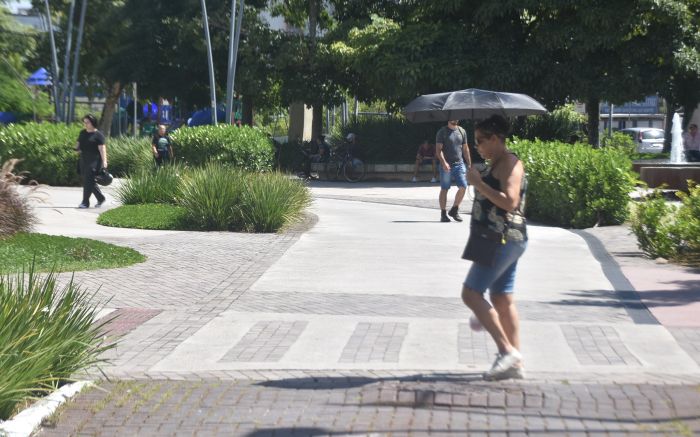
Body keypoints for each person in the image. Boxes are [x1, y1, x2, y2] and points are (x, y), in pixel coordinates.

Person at [462, 115, 528, 381]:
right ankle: (516, 363)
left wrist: (478, 184)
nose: (477, 146)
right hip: (498, 239)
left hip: (502, 239)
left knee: (471, 294)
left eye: (480, 141)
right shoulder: (497, 163)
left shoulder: (510, 163)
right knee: (501, 298)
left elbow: (510, 202)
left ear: (496, 138)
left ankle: (506, 351)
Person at [436, 120, 472, 222]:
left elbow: (465, 149)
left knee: (463, 186)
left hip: (459, 164)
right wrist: (444, 163)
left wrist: (469, 164)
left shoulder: (462, 131)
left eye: (457, 117)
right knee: (445, 188)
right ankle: (443, 213)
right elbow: (438, 150)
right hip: (446, 165)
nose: (455, 119)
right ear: (448, 119)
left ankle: (454, 210)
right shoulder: (442, 132)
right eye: (453, 117)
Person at [75, 114, 108, 208]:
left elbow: (102, 149)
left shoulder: (98, 135)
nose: (85, 124)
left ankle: (85, 202)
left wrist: (104, 161)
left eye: (87, 122)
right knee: (88, 180)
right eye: (84, 122)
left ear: (93, 123)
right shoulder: (82, 133)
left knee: (88, 181)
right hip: (83, 160)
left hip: (94, 161)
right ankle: (100, 198)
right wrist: (77, 149)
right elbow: (78, 144)